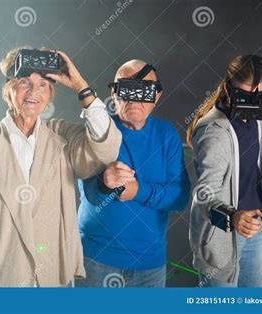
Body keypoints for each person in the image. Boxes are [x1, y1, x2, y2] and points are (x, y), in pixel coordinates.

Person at [0, 47, 122, 287]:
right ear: (9, 90)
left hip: (53, 279)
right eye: (24, 82)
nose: (34, 91)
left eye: (43, 84)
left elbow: (106, 144)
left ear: (50, 94)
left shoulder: (62, 137)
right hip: (3, 280)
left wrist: (80, 86)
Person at [186, 54, 262, 287]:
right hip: (220, 236)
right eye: (246, 97)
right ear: (228, 89)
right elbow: (204, 194)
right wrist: (231, 217)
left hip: (254, 229)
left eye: (260, 97)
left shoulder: (255, 111)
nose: (254, 104)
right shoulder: (214, 132)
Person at [76, 60, 191, 287]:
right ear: (114, 93)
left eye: (144, 91)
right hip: (95, 259)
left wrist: (138, 191)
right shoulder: (101, 129)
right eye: (128, 89)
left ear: (156, 97)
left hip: (149, 265)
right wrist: (103, 183)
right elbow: (87, 191)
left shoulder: (166, 135)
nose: (135, 99)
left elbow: (180, 197)